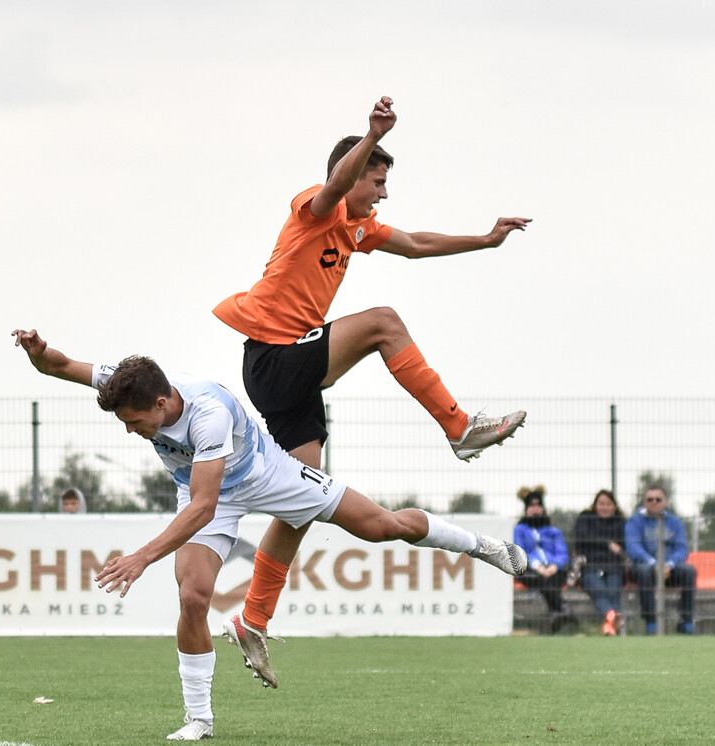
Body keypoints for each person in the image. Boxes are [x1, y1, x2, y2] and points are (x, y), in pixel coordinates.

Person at [11, 328, 528, 741]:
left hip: (265, 476)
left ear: (165, 402)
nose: (131, 430)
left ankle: (484, 547)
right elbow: (60, 365)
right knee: (192, 596)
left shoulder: (207, 417)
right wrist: (38, 351)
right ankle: (199, 720)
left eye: (136, 421)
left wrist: (141, 557)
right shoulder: (130, 382)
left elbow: (204, 506)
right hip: (203, 492)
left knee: (382, 526)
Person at [212, 96, 532, 679]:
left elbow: (414, 245)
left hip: (292, 370)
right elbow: (334, 185)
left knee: (299, 505)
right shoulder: (315, 210)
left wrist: (484, 241)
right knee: (384, 321)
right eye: (378, 181)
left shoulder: (358, 229)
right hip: (275, 356)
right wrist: (370, 133)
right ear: (356, 173)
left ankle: (252, 618)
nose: (383, 193)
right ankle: (458, 427)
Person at [624, 486, 697, 635]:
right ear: (644, 501)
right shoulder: (635, 521)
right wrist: (654, 564)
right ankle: (651, 622)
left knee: (689, 571)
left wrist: (668, 565)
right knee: (644, 571)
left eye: (658, 499)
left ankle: (686, 621)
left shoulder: (675, 522)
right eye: (650, 499)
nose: (654, 502)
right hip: (644, 568)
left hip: (669, 569)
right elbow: (633, 548)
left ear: (665, 502)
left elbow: (682, 549)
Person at [512, 486, 574, 633]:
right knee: (541, 579)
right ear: (526, 509)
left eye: (538, 505)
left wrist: (554, 566)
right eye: (531, 505)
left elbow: (562, 553)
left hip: (554, 571)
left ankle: (556, 614)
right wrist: (537, 566)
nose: (535, 509)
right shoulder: (519, 530)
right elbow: (519, 551)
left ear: (543, 508)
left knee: (550, 579)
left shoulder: (554, 531)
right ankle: (564, 609)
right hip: (529, 570)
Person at [573, 489, 626, 635]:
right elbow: (583, 538)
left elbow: (623, 546)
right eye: (601, 504)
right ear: (595, 505)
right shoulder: (585, 518)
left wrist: (597, 543)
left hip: (614, 567)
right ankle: (612, 616)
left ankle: (609, 626)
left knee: (613, 593)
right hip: (589, 566)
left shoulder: (620, 522)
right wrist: (607, 544)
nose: (605, 507)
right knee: (600, 591)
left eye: (609, 504)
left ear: (614, 506)